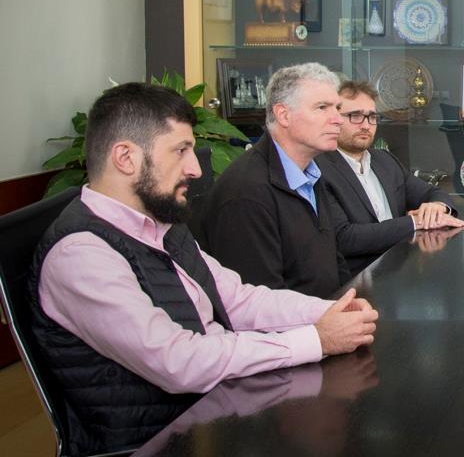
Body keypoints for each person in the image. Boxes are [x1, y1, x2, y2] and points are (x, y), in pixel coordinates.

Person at [30, 82, 377, 455]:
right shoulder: (81, 255)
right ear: (126, 157)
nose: (195, 168)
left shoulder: (162, 225)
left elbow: (236, 299)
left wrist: (328, 312)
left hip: (213, 413)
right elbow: (178, 362)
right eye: (181, 150)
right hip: (159, 442)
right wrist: (315, 340)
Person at [202, 63, 349, 298]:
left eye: (337, 108)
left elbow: (332, 259)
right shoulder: (246, 193)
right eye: (322, 107)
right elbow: (259, 302)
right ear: (283, 115)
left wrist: (348, 302)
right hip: (297, 321)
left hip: (327, 312)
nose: (338, 119)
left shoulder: (311, 173)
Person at [316, 80, 464, 275]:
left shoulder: (385, 160)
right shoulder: (319, 169)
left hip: (399, 268)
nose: (366, 125)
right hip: (357, 279)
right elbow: (345, 238)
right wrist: (415, 222)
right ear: (334, 119)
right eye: (355, 116)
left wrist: (437, 207)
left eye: (372, 117)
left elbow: (432, 192)